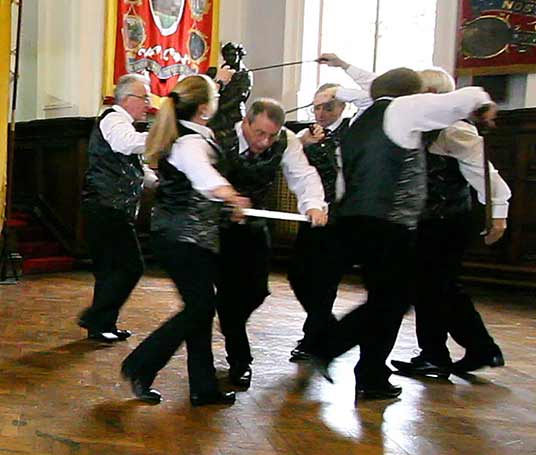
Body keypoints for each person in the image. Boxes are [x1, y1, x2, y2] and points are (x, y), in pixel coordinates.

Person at [308, 67, 494, 400]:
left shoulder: (357, 125)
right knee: (393, 299)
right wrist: (481, 102)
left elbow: (342, 180)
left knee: (387, 302)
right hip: (388, 224)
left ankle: (371, 375)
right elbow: (461, 100)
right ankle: (328, 346)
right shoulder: (401, 109)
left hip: (354, 221)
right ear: (415, 95)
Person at [121, 74, 250, 406]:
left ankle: (203, 388)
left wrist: (226, 205)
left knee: (200, 308)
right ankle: (140, 364)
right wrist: (231, 196)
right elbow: (204, 178)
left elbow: (197, 188)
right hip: (184, 239)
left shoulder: (185, 136)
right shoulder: (190, 142)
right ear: (204, 109)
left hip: (184, 237)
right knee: (200, 307)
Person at [391, 68, 511, 378]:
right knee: (439, 289)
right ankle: (478, 349)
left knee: (433, 288)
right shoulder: (422, 127)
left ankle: (437, 355)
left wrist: (498, 216)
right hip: (428, 221)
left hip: (446, 223)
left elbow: (486, 175)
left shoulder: (454, 130)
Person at [213, 97, 328, 390]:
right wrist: (224, 200)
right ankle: (240, 360)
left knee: (256, 292)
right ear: (246, 122)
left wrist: (314, 205)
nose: (264, 142)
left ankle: (229, 320)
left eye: (271, 135)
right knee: (227, 294)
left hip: (253, 225)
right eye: (259, 133)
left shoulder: (286, 141)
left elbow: (303, 176)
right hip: (212, 227)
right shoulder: (219, 134)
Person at [288, 53, 376, 362]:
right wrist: (305, 144)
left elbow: (373, 94)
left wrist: (343, 67)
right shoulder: (306, 135)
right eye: (317, 107)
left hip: (341, 218)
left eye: (329, 106)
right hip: (311, 213)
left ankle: (313, 338)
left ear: (342, 106)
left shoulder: (355, 127)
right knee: (298, 275)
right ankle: (327, 332)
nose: (322, 112)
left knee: (325, 282)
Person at [79, 74, 157, 343]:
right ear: (127, 99)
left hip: (110, 207)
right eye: (144, 97)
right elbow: (125, 144)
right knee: (131, 266)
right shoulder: (113, 119)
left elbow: (134, 165)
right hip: (106, 206)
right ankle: (94, 317)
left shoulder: (126, 125)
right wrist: (161, 136)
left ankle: (102, 326)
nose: (148, 103)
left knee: (109, 270)